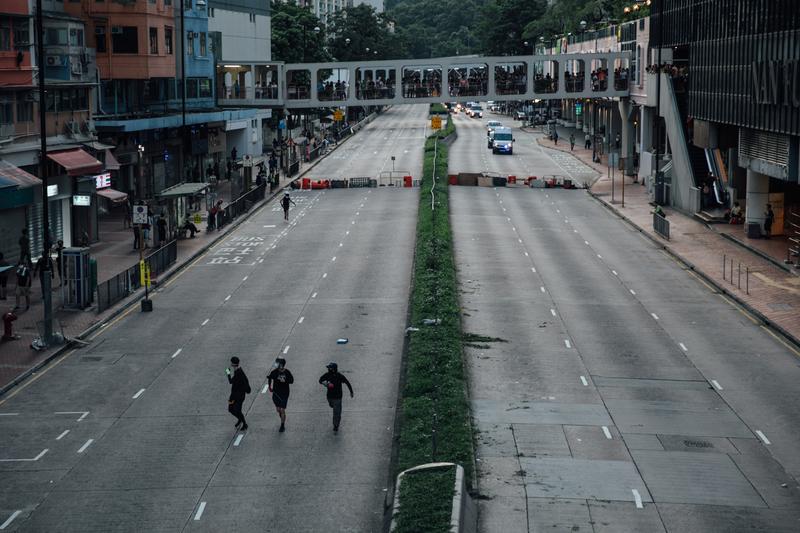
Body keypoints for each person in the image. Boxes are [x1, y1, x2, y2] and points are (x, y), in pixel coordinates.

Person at [318, 362, 353, 432]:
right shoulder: (327, 375)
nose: (328, 369)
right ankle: (332, 406)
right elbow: (320, 380)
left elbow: (347, 382)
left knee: (337, 412)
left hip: (338, 397)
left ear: (333, 369)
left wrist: (351, 391)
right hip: (329, 397)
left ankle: (336, 425)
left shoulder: (339, 376)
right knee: (332, 406)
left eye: (329, 368)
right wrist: (326, 384)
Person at [267, 357, 294, 432]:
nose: (275, 364)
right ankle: (282, 416)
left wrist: (285, 380)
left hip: (284, 393)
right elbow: (269, 378)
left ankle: (282, 425)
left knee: (282, 409)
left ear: (281, 365)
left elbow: (292, 381)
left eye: (277, 363)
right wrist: (269, 386)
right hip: (276, 393)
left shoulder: (287, 372)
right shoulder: (274, 372)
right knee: (278, 409)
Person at [226, 356, 251, 431]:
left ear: (233, 364)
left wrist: (227, 372)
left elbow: (231, 381)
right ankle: (240, 419)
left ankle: (244, 424)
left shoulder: (238, 373)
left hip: (239, 396)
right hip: (233, 396)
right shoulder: (238, 371)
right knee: (230, 409)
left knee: (237, 410)